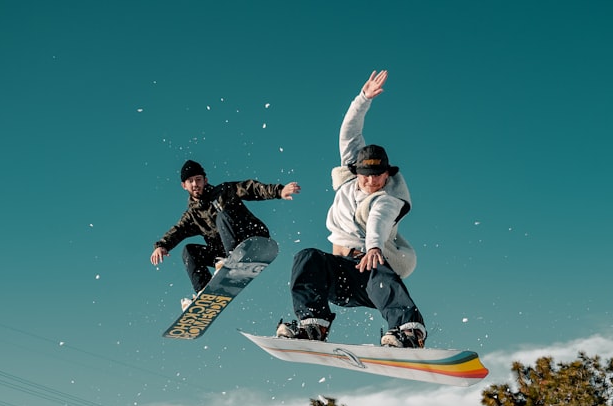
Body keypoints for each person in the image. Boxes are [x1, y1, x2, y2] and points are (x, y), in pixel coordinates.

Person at [277, 70, 426, 348]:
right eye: (365, 175)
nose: (371, 181)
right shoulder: (349, 181)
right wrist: (363, 99)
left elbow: (378, 222)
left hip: (369, 279)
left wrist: (373, 248)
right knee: (307, 257)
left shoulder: (388, 198)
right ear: (356, 171)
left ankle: (408, 331)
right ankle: (313, 325)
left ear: (387, 174)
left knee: (377, 267)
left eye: (378, 176)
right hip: (338, 277)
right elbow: (349, 131)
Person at [151, 160, 301, 306]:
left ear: (205, 180)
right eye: (191, 181)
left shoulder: (224, 191)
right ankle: (204, 292)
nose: (195, 184)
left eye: (198, 179)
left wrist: (279, 191)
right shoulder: (192, 216)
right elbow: (177, 231)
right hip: (224, 254)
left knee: (222, 215)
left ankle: (232, 258)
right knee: (189, 251)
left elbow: (251, 188)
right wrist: (162, 245)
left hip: (251, 236)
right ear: (184, 185)